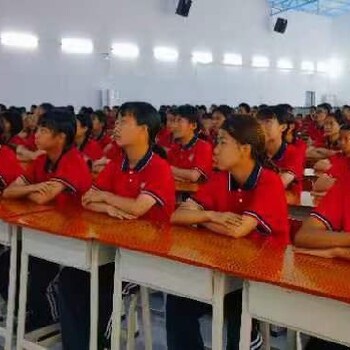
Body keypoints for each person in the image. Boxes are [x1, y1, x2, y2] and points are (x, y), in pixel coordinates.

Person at [58, 102, 175, 350]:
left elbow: (137, 209)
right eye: (117, 121)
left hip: (144, 257)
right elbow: (88, 198)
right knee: (69, 278)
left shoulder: (159, 167)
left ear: (144, 130)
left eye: (123, 122)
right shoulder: (117, 163)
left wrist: (108, 198)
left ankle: (100, 344)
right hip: (110, 249)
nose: (116, 127)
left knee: (103, 290)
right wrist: (109, 208)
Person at [167, 115, 289, 350]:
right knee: (178, 301)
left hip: (262, 276)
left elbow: (239, 229)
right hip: (225, 267)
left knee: (238, 311)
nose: (215, 149)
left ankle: (248, 338)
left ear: (244, 149)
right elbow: (177, 216)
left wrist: (201, 221)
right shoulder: (221, 179)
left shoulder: (269, 182)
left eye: (222, 142)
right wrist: (212, 215)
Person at [257, 107, 303, 199]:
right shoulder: (255, 152)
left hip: (290, 208)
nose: (261, 127)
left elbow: (281, 182)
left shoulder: (293, 153)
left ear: (283, 127)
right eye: (258, 122)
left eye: (267, 122)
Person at [167, 105, 213, 183]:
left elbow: (194, 176)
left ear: (193, 125)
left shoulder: (203, 146)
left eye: (179, 121)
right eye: (174, 121)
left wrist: (169, 169)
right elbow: (166, 174)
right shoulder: (174, 147)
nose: (174, 125)